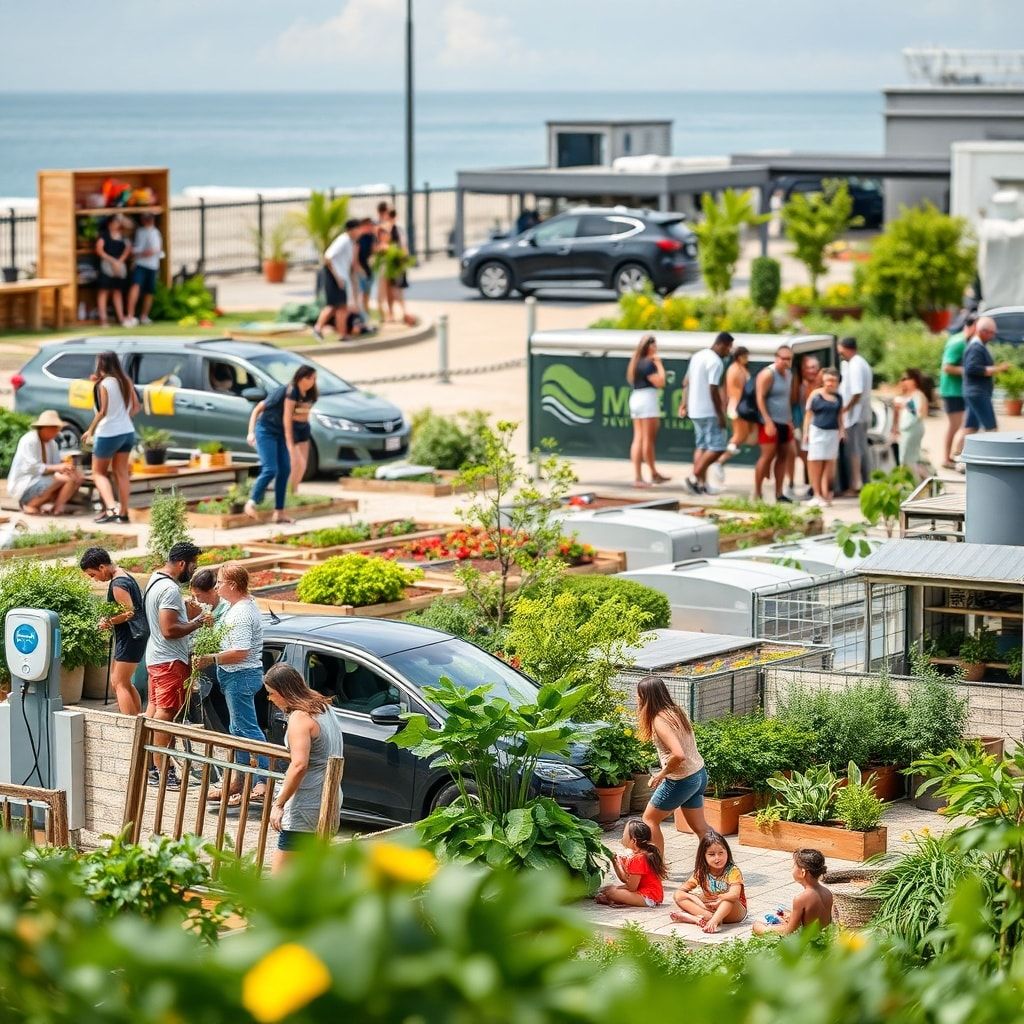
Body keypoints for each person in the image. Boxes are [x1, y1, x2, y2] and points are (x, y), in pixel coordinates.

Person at [193, 564, 268, 804]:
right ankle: (240, 780)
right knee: (237, 729)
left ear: (233, 585)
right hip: (234, 675)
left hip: (241, 675)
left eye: (220, 583)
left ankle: (263, 781)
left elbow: (241, 652)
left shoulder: (243, 613)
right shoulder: (236, 607)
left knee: (247, 729)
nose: (216, 587)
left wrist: (211, 659)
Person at [143, 541, 212, 790]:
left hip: (157, 658)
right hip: (170, 661)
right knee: (166, 714)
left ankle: (151, 768)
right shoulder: (169, 589)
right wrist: (199, 621)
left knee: (155, 712)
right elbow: (169, 629)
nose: (194, 571)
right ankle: (164, 771)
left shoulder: (155, 580)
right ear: (182, 563)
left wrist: (187, 613)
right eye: (193, 565)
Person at [264, 663, 345, 873]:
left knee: (280, 876)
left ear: (283, 692)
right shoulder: (322, 705)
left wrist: (279, 803)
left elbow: (299, 765)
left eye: (271, 693)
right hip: (329, 796)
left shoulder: (300, 717)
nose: (270, 699)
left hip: (307, 801)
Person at [637, 675, 707, 855]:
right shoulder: (676, 711)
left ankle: (657, 866)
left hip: (681, 780)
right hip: (698, 774)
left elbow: (678, 754)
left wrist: (661, 774)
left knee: (649, 820)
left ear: (645, 697)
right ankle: (723, 865)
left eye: (639, 695)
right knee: (701, 829)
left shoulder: (659, 721)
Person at [80, 546, 146, 716]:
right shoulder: (123, 575)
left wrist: (108, 621)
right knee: (122, 681)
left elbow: (129, 612)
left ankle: (130, 723)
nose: (95, 580)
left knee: (119, 683)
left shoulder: (118, 584)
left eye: (93, 575)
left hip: (131, 637)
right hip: (133, 637)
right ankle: (137, 718)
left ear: (102, 567)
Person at [80, 351, 139, 523]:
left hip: (108, 433)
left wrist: (90, 430)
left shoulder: (105, 384)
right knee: (122, 473)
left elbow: (103, 411)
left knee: (98, 473)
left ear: (101, 364)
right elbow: (136, 407)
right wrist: (122, 418)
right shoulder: (125, 380)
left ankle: (111, 509)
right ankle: (124, 513)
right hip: (127, 431)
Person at [680, 331, 733, 495]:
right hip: (709, 411)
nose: (729, 351)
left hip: (695, 410)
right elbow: (713, 389)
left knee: (702, 446)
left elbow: (685, 382)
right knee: (718, 448)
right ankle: (694, 477)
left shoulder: (697, 356)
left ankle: (701, 485)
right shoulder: (715, 361)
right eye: (728, 347)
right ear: (720, 344)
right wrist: (720, 414)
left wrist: (684, 403)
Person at [8, 410, 84, 516]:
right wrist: (57, 467)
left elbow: (55, 464)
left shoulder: (52, 444)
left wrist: (68, 468)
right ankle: (30, 504)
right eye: (54, 429)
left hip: (42, 479)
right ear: (45, 428)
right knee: (61, 479)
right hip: (26, 483)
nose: (56, 432)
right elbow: (32, 467)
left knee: (73, 477)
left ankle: (57, 508)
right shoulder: (29, 441)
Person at [671, 829, 748, 933]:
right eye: (711, 854)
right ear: (704, 856)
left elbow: (735, 895)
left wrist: (720, 899)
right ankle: (701, 919)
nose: (717, 858)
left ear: (727, 852)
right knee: (678, 896)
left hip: (733, 912)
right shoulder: (701, 872)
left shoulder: (732, 871)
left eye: (721, 853)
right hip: (710, 909)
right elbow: (681, 891)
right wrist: (695, 899)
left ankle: (712, 921)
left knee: (728, 899)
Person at [752, 848, 834, 936]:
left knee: (757, 925)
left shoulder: (801, 899)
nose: (792, 869)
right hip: (821, 936)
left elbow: (789, 932)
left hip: (805, 939)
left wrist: (770, 928)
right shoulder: (827, 892)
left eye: (794, 866)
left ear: (803, 872)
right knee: (786, 915)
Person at [245, 380, 294, 524]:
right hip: (265, 431)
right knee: (270, 469)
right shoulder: (281, 392)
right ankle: (250, 503)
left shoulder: (301, 398)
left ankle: (279, 513)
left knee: (285, 469)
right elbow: (257, 409)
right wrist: (251, 432)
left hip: (280, 435)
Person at [625, 335, 669, 488]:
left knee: (638, 438)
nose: (656, 348)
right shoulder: (648, 363)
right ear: (648, 347)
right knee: (647, 440)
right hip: (646, 400)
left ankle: (644, 475)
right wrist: (659, 364)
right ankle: (648, 475)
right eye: (653, 345)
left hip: (637, 398)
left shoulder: (636, 362)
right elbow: (661, 382)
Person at [754, 345, 795, 503]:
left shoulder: (789, 375)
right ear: (776, 358)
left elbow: (787, 399)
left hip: (784, 420)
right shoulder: (768, 374)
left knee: (783, 455)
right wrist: (767, 421)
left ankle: (779, 492)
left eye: (788, 359)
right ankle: (757, 492)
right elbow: (760, 397)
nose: (785, 362)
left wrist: (790, 420)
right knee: (767, 456)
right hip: (770, 421)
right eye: (783, 358)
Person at [594, 818, 666, 908]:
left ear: (633, 841)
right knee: (609, 890)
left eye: (624, 835)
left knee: (612, 892)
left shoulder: (638, 859)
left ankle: (614, 899)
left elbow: (631, 887)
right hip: (649, 895)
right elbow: (625, 880)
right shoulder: (639, 855)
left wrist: (616, 888)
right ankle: (615, 899)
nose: (622, 837)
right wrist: (616, 863)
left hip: (648, 898)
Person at [961, 315, 1010, 447]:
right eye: (991, 333)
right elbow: (972, 368)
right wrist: (998, 369)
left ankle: (957, 454)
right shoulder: (976, 347)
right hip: (978, 392)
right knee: (991, 427)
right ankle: (993, 454)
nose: (992, 336)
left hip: (974, 392)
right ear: (983, 331)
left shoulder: (977, 345)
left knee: (971, 427)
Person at [313, 219, 361, 341]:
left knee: (342, 307)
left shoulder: (350, 242)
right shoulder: (343, 240)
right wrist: (337, 277)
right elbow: (327, 257)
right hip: (334, 277)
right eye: (357, 229)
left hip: (341, 278)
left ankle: (342, 334)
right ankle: (318, 328)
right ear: (352, 229)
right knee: (333, 305)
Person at [939, 313, 976, 470]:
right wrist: (969, 371)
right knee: (955, 425)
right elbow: (947, 367)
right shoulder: (959, 342)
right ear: (972, 326)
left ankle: (951, 456)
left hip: (957, 390)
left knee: (959, 425)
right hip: (951, 390)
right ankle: (947, 458)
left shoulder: (964, 340)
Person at [804, 367, 844, 507]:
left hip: (832, 432)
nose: (830, 383)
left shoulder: (838, 397)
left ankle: (826, 493)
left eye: (833, 380)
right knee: (816, 462)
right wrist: (806, 433)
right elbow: (808, 414)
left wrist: (842, 430)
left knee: (829, 464)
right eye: (828, 380)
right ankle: (816, 493)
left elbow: (840, 415)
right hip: (817, 431)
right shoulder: (816, 395)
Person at [838, 337, 873, 495]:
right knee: (861, 449)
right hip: (861, 415)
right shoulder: (860, 362)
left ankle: (855, 485)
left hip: (855, 417)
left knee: (854, 451)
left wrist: (845, 409)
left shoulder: (855, 365)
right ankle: (865, 482)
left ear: (846, 348)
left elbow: (856, 392)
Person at [788, 354, 821, 501]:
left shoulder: (821, 385)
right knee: (801, 454)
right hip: (801, 425)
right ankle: (802, 485)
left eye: (813, 367)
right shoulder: (799, 385)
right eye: (807, 367)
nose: (810, 370)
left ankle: (815, 487)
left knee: (814, 456)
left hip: (819, 426)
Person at [123, 212, 163, 327]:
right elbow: (139, 249)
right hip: (140, 264)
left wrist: (143, 253)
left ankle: (144, 316)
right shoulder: (140, 232)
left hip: (153, 265)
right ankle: (130, 316)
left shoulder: (156, 232)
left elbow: (155, 250)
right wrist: (141, 253)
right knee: (135, 287)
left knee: (149, 291)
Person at [892, 368, 932, 480]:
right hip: (905, 429)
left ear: (914, 380)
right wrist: (895, 428)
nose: (904, 381)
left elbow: (920, 414)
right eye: (902, 379)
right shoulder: (905, 395)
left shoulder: (918, 394)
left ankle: (920, 481)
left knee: (907, 459)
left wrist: (906, 405)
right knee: (908, 459)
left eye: (907, 378)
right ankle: (924, 480)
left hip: (912, 429)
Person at [718, 346, 752, 470]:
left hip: (741, 405)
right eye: (745, 356)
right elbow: (736, 391)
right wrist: (742, 407)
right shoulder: (734, 369)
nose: (747, 359)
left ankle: (722, 458)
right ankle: (720, 460)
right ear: (738, 357)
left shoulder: (741, 369)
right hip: (738, 405)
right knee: (739, 436)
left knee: (743, 436)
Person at [284, 365, 317, 493]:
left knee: (303, 464)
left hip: (304, 427)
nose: (312, 382)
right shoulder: (292, 391)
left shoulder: (311, 392)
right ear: (300, 378)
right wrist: (289, 439)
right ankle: (288, 491)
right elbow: (287, 416)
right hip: (294, 427)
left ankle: (295, 490)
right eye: (309, 378)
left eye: (314, 378)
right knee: (295, 462)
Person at [95, 215, 132, 327]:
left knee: (117, 291)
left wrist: (119, 262)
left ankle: (121, 318)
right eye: (115, 222)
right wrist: (113, 261)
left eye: (118, 222)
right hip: (107, 266)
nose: (117, 224)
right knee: (104, 291)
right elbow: (99, 250)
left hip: (119, 267)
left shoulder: (123, 236)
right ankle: (103, 319)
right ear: (109, 223)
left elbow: (128, 249)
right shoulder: (104, 236)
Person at [355, 216, 376, 317]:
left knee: (367, 294)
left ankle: (366, 314)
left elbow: (373, 251)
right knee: (360, 294)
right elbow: (355, 257)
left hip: (369, 269)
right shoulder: (358, 239)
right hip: (360, 270)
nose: (370, 227)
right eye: (368, 225)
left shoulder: (371, 237)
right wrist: (359, 269)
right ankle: (361, 315)